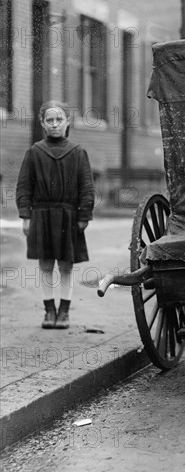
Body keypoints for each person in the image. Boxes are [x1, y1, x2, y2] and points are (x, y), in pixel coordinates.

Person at [16, 101, 95, 329]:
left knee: (66, 265)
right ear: (42, 123)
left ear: (67, 122)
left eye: (59, 119)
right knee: (46, 265)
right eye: (49, 120)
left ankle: (64, 312)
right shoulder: (34, 152)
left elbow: (87, 187)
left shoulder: (78, 152)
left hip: (68, 216)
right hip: (41, 215)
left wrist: (83, 216)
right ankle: (49, 310)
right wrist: (25, 216)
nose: (54, 124)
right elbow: (24, 187)